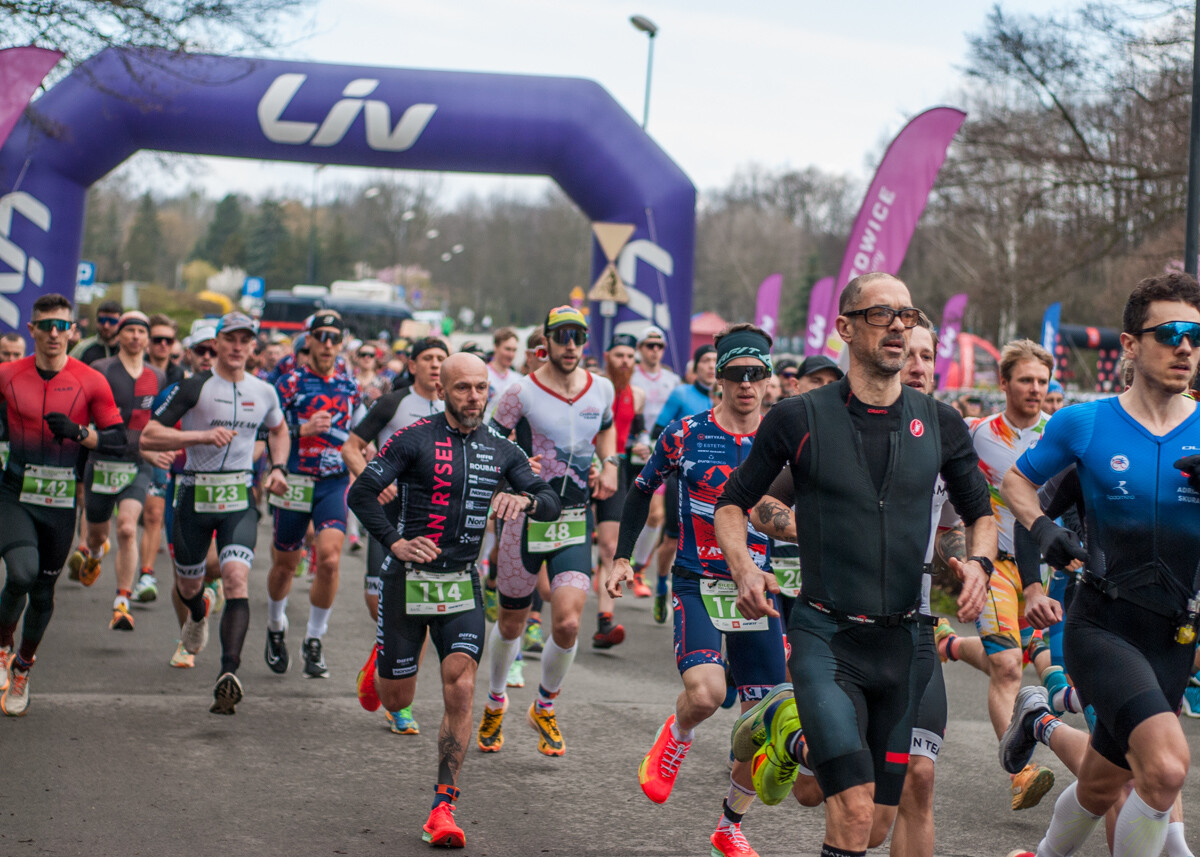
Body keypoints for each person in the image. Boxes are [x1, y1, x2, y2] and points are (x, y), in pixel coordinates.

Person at [713, 273, 995, 857]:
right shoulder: (798, 417)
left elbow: (980, 514)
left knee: (876, 825)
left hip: (907, 644)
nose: (898, 325)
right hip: (826, 635)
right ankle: (790, 719)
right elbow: (733, 504)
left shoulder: (940, 423)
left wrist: (979, 566)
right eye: (881, 314)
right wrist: (744, 568)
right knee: (853, 807)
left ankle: (782, 730)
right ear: (845, 326)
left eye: (909, 315)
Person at [999, 272, 1200, 857]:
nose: (1184, 346)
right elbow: (1017, 482)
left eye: (1194, 334)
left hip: (1175, 634)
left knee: (1103, 780)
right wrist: (1042, 530)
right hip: (1103, 625)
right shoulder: (1084, 425)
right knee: (1164, 768)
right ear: (1131, 345)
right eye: (1169, 333)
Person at [748, 318, 954, 857]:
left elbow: (967, 523)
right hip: (839, 631)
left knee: (916, 783)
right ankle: (789, 729)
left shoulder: (951, 432)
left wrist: (972, 564)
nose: (916, 365)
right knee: (824, 795)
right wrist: (818, 528)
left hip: (914, 633)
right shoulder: (835, 429)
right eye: (907, 352)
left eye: (927, 356)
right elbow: (764, 504)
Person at [348, 352, 560, 849]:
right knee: (397, 696)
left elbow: (549, 500)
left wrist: (525, 499)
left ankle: (444, 806)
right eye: (462, 388)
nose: (473, 398)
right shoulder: (413, 438)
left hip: (462, 583)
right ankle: (381, 662)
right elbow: (362, 493)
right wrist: (395, 542)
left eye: (481, 388)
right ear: (442, 389)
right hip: (407, 578)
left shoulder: (503, 450)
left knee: (460, 687)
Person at [607, 323, 782, 857]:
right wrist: (621, 557)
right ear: (718, 380)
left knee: (766, 720)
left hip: (758, 587)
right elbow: (640, 493)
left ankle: (729, 826)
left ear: (768, 380)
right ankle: (675, 737)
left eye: (757, 374)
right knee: (706, 694)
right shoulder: (686, 432)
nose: (747, 385)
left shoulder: (782, 441)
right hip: (698, 581)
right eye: (736, 375)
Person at [481, 305, 618, 757]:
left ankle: (544, 705)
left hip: (575, 518)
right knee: (512, 621)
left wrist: (610, 463)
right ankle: (496, 700)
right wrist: (516, 465)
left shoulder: (601, 387)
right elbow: (489, 441)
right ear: (547, 340)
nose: (571, 345)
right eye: (562, 336)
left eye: (578, 336)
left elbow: (608, 430)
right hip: (524, 516)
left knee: (569, 622)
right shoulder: (521, 392)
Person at [140, 311, 290, 715]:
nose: (238, 346)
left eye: (246, 340)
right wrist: (199, 436)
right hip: (192, 495)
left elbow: (278, 429)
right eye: (230, 339)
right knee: (189, 587)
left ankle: (228, 674)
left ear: (252, 347)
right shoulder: (193, 388)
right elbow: (149, 434)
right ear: (218, 344)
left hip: (239, 498)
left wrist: (277, 467)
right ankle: (197, 612)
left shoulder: (265, 391)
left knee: (236, 577)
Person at [0, 294, 127, 716]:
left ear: (72, 331)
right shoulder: (7, 374)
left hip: (59, 501)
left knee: (42, 592)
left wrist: (80, 433)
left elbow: (117, 439)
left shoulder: (90, 380)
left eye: (61, 326)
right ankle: (2, 646)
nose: (54, 333)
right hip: (15, 492)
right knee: (20, 573)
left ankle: (23, 665)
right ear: (33, 329)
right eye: (45, 325)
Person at [960, 339, 1059, 809]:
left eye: (1043, 381)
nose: (1036, 389)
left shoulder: (1060, 434)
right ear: (1003, 383)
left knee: (1042, 659)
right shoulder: (976, 433)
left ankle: (950, 643)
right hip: (996, 564)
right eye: (1026, 380)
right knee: (1005, 666)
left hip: (1044, 568)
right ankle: (1021, 772)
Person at [343, 335, 448, 734]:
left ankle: (399, 703)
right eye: (428, 358)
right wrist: (372, 479)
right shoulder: (393, 403)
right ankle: (381, 658)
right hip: (387, 519)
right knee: (378, 605)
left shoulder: (454, 405)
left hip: (429, 523)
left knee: (415, 610)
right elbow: (352, 446)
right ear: (413, 363)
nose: (436, 364)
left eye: (442, 357)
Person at [264, 312, 361, 679]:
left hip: (332, 482)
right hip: (295, 480)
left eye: (334, 337)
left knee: (330, 560)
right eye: (321, 336)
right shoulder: (288, 384)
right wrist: (301, 429)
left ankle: (314, 639)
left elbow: (360, 434)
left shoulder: (351, 387)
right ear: (309, 340)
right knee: (285, 565)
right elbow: (267, 429)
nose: (327, 343)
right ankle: (276, 627)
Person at [66, 312, 165, 630]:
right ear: (120, 336)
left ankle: (122, 602)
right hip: (101, 460)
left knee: (126, 527)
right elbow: (82, 414)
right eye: (130, 331)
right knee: (99, 533)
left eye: (141, 331)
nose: (136, 337)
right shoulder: (100, 370)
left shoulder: (157, 376)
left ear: (147, 339)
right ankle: (94, 551)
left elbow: (159, 421)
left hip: (138, 462)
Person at [648, 345, 717, 622]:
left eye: (716, 361)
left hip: (715, 478)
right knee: (673, 538)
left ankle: (702, 596)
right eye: (706, 361)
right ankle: (662, 583)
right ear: (695, 367)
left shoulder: (729, 397)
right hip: (681, 475)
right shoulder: (682, 394)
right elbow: (657, 431)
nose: (712, 366)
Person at [594, 332, 650, 609]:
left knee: (608, 547)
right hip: (585, 467)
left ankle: (605, 620)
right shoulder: (593, 387)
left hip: (617, 469)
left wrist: (641, 445)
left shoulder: (637, 395)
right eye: (619, 355)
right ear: (607, 357)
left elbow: (639, 432)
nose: (625, 361)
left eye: (630, 356)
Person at [70, 299, 122, 365]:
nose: (106, 326)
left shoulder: (126, 349)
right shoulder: (83, 348)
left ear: (120, 323)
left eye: (112, 321)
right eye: (102, 320)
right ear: (96, 321)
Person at [486, 327, 520, 403]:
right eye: (507, 349)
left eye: (514, 350)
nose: (511, 355)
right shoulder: (484, 374)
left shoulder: (518, 379)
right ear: (495, 347)